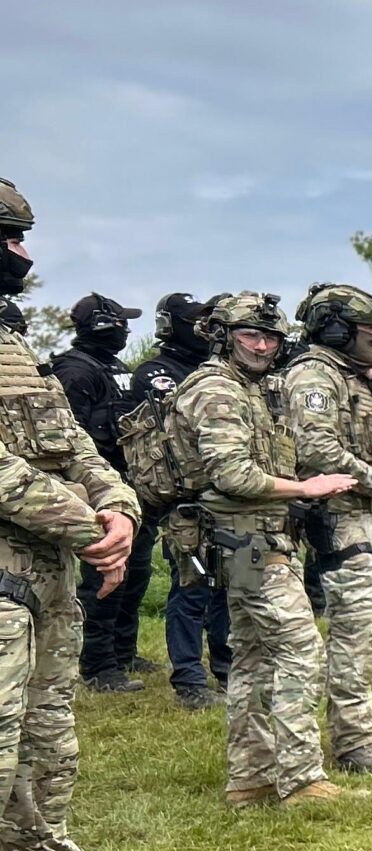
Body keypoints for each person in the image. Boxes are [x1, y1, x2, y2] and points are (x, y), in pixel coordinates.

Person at [0, 180, 177, 851]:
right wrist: (86, 524)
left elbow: (74, 444)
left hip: (43, 589)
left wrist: (118, 510)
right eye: (8, 239)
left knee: (44, 759)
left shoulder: (14, 345)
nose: (23, 256)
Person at [171, 293, 364, 808]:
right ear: (223, 338)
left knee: (253, 658)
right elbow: (232, 474)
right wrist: (306, 488)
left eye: (271, 338)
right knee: (301, 650)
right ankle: (301, 779)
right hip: (244, 539)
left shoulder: (251, 387)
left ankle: (250, 778)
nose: (261, 346)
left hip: (257, 538)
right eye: (250, 336)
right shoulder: (216, 389)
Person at [280, 286, 372, 775]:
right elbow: (315, 448)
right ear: (337, 330)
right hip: (339, 517)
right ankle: (355, 741)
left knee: (366, 630)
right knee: (353, 631)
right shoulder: (313, 376)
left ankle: (358, 725)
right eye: (368, 330)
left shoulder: (356, 375)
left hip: (368, 515)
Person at [52, 293, 159, 693]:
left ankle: (124, 651)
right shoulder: (74, 371)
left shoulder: (115, 367)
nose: (126, 331)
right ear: (101, 325)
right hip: (98, 493)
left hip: (130, 488)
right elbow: (69, 442)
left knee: (136, 575)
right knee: (104, 580)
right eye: (120, 323)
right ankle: (98, 666)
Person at [130, 294, 231, 711]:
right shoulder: (156, 374)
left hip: (227, 495)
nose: (203, 329)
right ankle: (189, 680)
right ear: (171, 326)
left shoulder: (218, 370)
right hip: (186, 499)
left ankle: (226, 669)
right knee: (191, 589)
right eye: (194, 321)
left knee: (227, 589)